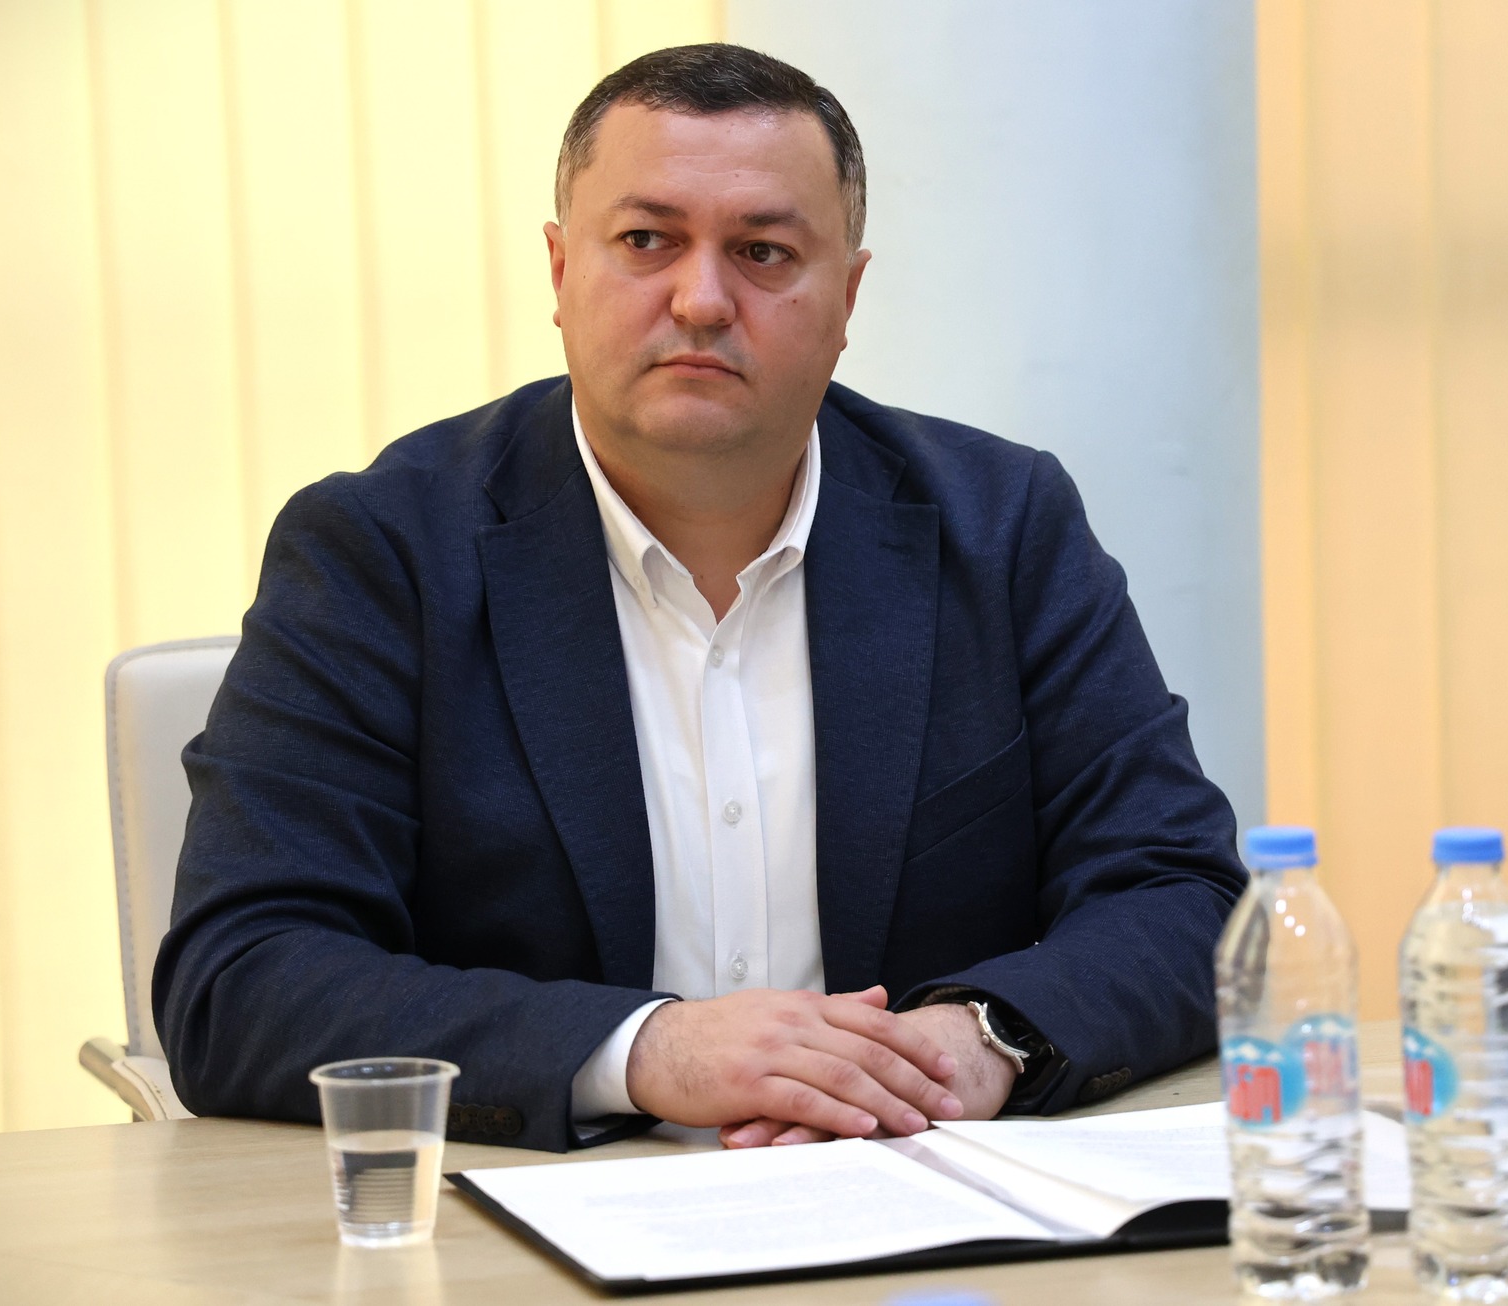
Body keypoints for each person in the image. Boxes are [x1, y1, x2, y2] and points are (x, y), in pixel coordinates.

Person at [154, 43, 1245, 1154]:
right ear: (559, 271)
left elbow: (1182, 892)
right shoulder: (381, 551)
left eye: (763, 252)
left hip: (908, 1181)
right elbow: (244, 974)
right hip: (538, 1207)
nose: (702, 299)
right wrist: (645, 1050)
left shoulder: (1003, 527)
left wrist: (979, 1040)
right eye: (646, 241)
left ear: (847, 296)